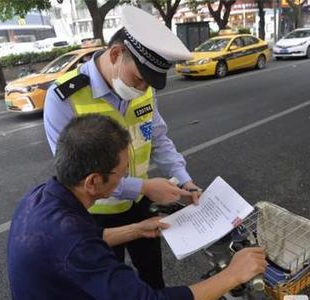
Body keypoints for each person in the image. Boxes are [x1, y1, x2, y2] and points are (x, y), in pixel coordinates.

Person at [8, 114, 267, 300]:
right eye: (121, 174)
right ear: (93, 181)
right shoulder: (74, 243)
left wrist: (135, 229)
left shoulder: (41, 198)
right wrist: (232, 275)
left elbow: (89, 238)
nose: (125, 180)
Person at [43, 6, 199, 288]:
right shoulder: (63, 98)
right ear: (116, 55)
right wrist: (143, 187)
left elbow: (159, 137)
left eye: (148, 83)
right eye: (138, 79)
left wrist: (185, 180)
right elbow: (76, 176)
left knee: (153, 280)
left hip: (141, 205)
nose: (142, 89)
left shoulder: (143, 88)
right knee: (105, 289)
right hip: (94, 214)